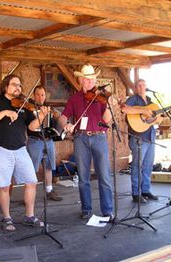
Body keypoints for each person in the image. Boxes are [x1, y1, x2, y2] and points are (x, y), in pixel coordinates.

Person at [0, 74, 49, 231]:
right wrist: (5, 112)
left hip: (20, 150)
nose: (18, 88)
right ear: (6, 86)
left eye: (19, 85)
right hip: (0, 149)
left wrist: (41, 115)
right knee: (5, 186)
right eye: (14, 85)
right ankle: (7, 218)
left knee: (31, 182)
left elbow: (32, 127)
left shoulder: (24, 105)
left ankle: (29, 216)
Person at [58, 65, 113, 221]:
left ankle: (107, 210)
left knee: (104, 176)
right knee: (83, 177)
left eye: (92, 79)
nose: (90, 82)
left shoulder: (101, 97)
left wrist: (109, 104)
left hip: (99, 137)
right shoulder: (74, 98)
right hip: (81, 138)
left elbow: (107, 120)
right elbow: (63, 117)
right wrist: (66, 125)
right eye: (87, 79)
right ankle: (86, 209)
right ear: (81, 80)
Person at [121, 79, 158, 203]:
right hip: (138, 138)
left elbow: (156, 118)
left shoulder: (150, 101)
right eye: (139, 85)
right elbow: (125, 109)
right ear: (136, 88)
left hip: (150, 137)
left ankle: (146, 190)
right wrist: (142, 110)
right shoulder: (133, 99)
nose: (142, 87)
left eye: (143, 85)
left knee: (148, 165)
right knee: (137, 166)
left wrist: (161, 116)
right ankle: (136, 194)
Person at [27, 86, 62, 201]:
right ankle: (31, 193)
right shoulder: (29, 109)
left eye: (42, 95)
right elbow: (30, 127)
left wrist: (58, 117)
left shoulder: (49, 109)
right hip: (35, 141)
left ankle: (49, 190)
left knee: (49, 166)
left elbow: (55, 122)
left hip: (48, 141)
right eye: (37, 94)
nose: (40, 97)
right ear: (34, 95)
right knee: (33, 168)